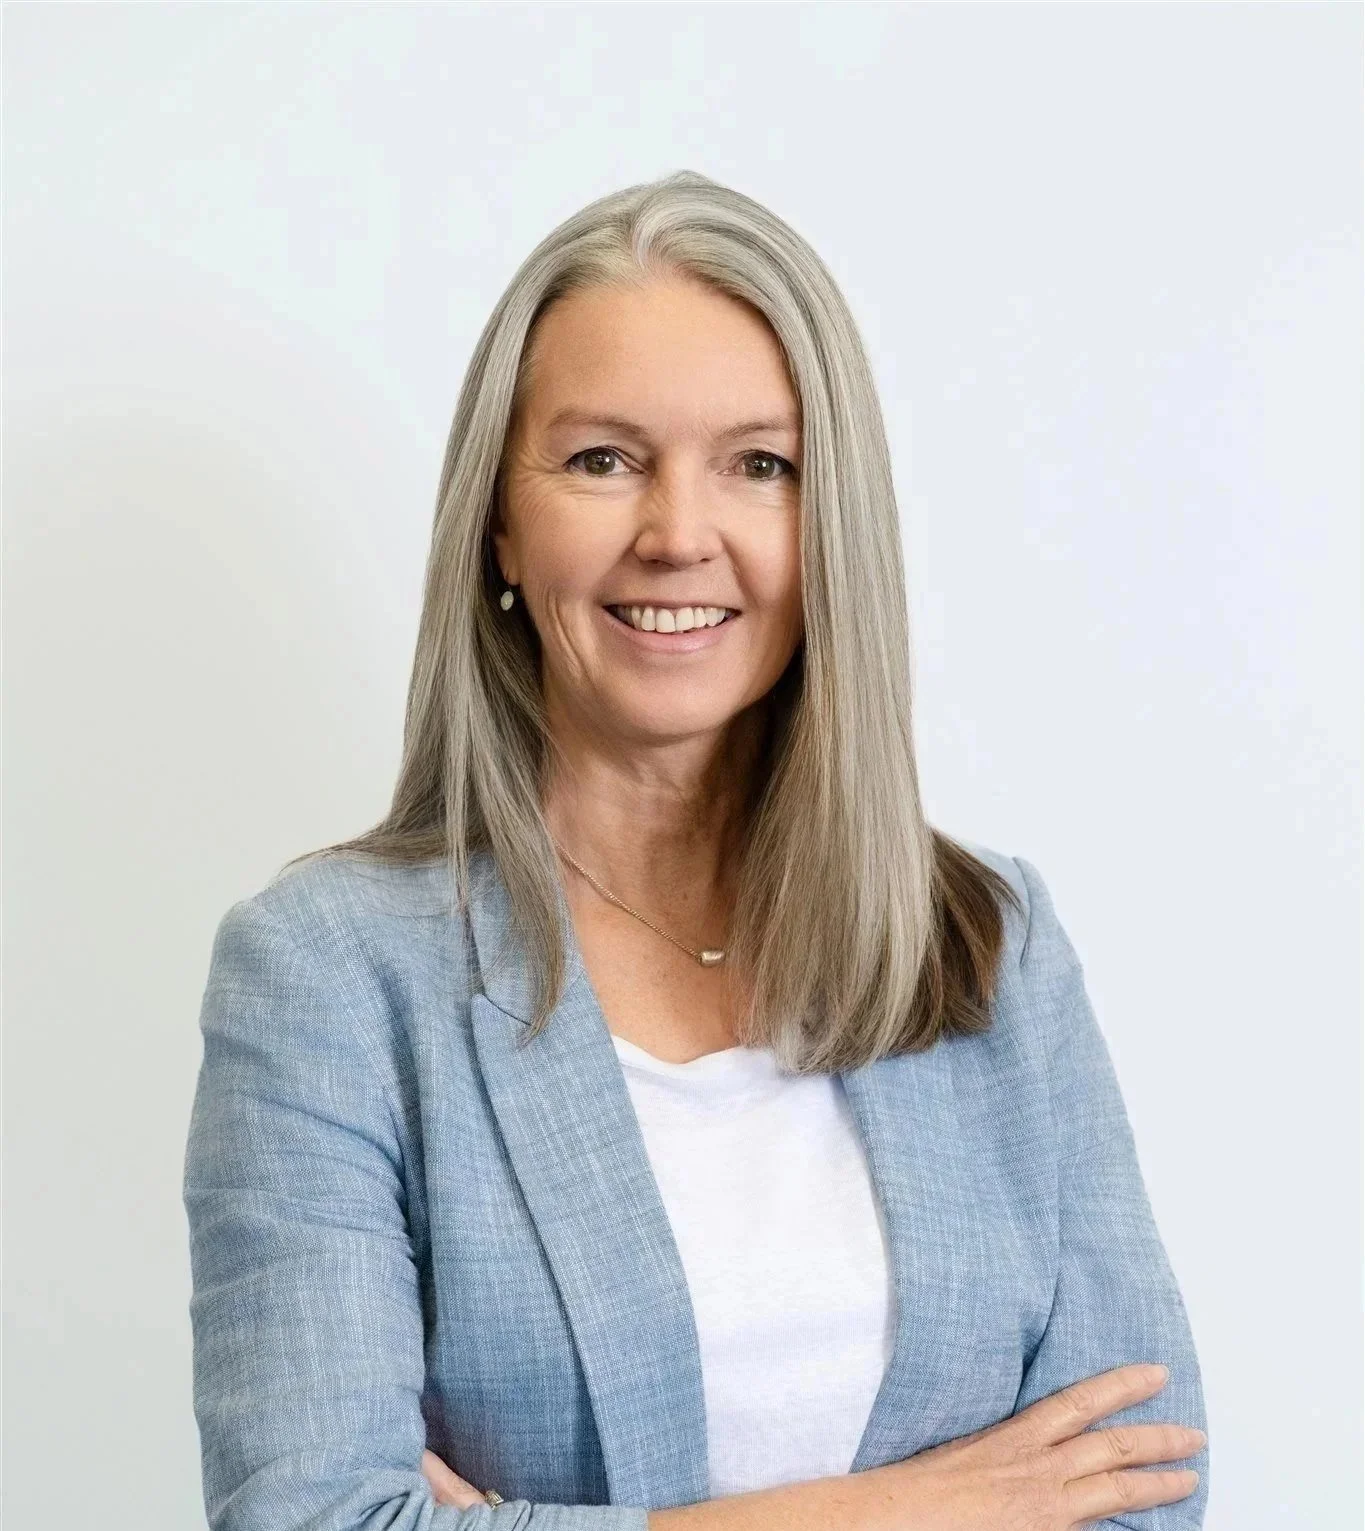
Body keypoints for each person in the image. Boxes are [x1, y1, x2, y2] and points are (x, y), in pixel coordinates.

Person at [182, 170, 1208, 1531]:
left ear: (826, 522)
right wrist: (924, 1507)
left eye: (759, 465)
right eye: (602, 458)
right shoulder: (326, 976)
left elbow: (1142, 1494)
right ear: (501, 517)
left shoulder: (987, 940)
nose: (677, 534)